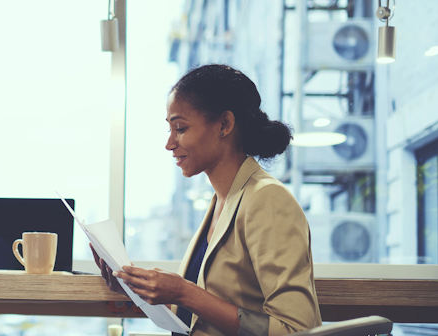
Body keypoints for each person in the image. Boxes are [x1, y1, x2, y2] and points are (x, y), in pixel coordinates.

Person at [93, 64, 321, 336]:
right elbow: (204, 315)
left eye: (181, 127)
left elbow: (297, 329)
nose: (169, 143)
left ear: (224, 125)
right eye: (170, 129)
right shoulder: (221, 201)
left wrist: (184, 292)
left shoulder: (267, 198)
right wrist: (137, 288)